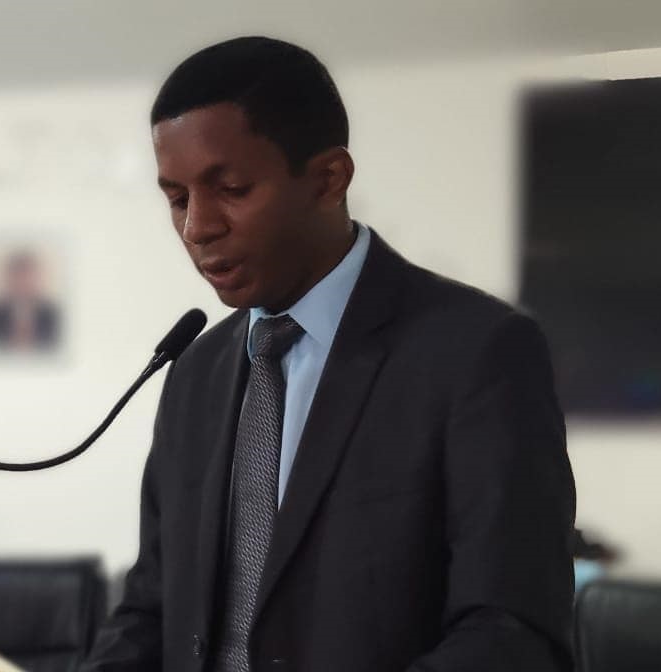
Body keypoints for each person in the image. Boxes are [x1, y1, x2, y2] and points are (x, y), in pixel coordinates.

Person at [82, 36, 575, 672]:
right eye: (177, 199)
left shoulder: (478, 351)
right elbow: (151, 610)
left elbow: (512, 631)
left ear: (327, 180)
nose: (197, 227)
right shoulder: (194, 371)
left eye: (231, 188)